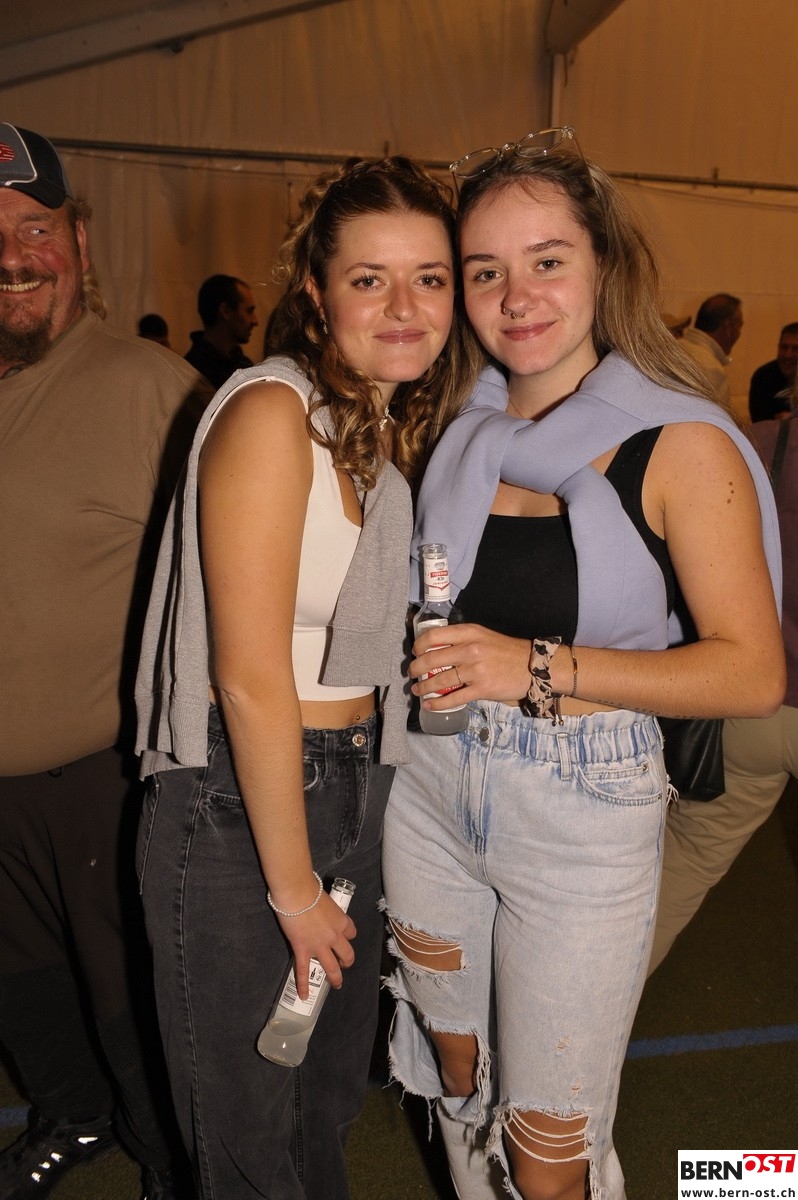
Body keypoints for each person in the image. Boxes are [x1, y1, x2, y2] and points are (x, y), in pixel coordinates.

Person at [380, 128, 784, 1200]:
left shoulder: (679, 441)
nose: (517, 296)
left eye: (548, 260)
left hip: (582, 805)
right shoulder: (452, 427)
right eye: (485, 271)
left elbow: (751, 674)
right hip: (429, 785)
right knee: (454, 1073)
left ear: (605, 264)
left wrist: (535, 667)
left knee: (547, 1158)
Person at [134, 156, 477, 1200]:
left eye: (429, 277)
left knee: (321, 1111)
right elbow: (246, 675)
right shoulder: (273, 413)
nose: (405, 306)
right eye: (370, 279)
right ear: (318, 293)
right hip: (241, 801)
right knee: (250, 1144)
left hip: (355, 781)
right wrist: (292, 888)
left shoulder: (385, 428)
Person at [0, 122, 210, 1200]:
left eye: (35, 228)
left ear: (79, 241)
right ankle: (72, 1115)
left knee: (135, 996)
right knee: (23, 988)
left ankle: (173, 1163)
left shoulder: (152, 391)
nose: (13, 256)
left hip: (103, 780)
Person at [650, 380, 798, 973]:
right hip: (753, 692)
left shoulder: (756, 444)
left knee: (682, 864)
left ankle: (584, 1010)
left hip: (750, 706)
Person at [184, 273, 258, 387]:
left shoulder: (243, 364)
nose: (255, 321)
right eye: (249, 311)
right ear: (226, 311)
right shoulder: (192, 372)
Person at [681, 292, 744, 407]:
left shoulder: (674, 348)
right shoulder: (712, 369)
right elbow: (711, 418)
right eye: (739, 326)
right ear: (728, 328)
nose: (739, 333)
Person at [748, 321, 798, 422]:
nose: (788, 355)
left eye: (796, 349)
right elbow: (759, 422)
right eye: (784, 347)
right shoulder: (763, 377)